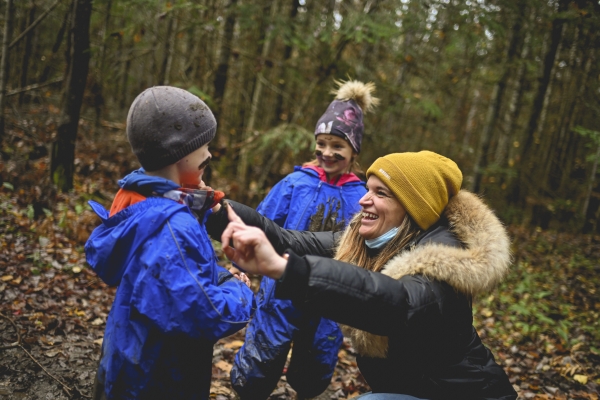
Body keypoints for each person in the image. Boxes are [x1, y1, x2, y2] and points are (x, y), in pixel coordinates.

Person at [208, 151, 518, 400]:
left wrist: (288, 271)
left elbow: (392, 304)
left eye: (380, 193)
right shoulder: (370, 242)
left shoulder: (442, 267)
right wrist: (215, 211)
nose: (363, 200)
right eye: (368, 189)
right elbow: (292, 241)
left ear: (413, 207)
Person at [85, 86, 254, 400]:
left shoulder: (137, 197)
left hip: (129, 356)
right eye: (204, 148)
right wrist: (240, 290)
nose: (210, 154)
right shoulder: (173, 228)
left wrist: (199, 197)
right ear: (181, 153)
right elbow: (204, 312)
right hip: (161, 376)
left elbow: (173, 278)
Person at [230, 80, 378, 399]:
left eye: (337, 146)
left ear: (354, 150)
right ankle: (250, 391)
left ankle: (308, 389)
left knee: (317, 358)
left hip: (330, 294)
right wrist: (238, 260)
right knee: (263, 352)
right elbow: (263, 224)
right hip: (281, 284)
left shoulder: (361, 196)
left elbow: (367, 243)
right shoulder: (295, 183)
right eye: (321, 143)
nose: (327, 152)